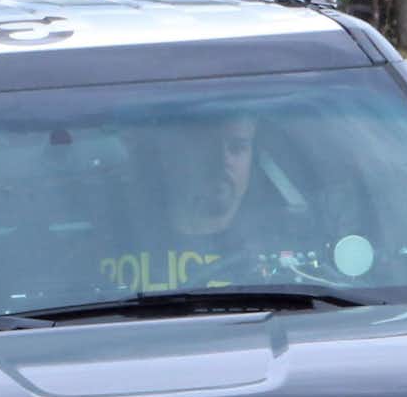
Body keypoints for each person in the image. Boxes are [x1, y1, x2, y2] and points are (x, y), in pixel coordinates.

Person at [100, 111, 288, 292]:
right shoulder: (114, 242)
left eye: (237, 147)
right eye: (207, 147)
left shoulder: (285, 243)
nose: (223, 161)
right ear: (171, 155)